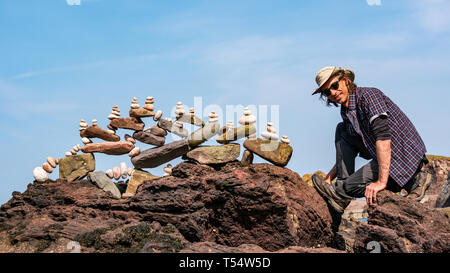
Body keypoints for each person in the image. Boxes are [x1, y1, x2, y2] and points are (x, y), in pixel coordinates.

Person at [311, 66, 431, 213]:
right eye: (327, 92)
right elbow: (347, 151)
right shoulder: (346, 111)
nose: (333, 93)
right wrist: (328, 179)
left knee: (350, 187)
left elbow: (383, 138)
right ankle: (341, 191)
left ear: (346, 81)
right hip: (382, 157)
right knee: (342, 129)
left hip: (400, 156)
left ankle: (418, 177)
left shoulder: (369, 96)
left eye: (335, 86)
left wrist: (381, 182)